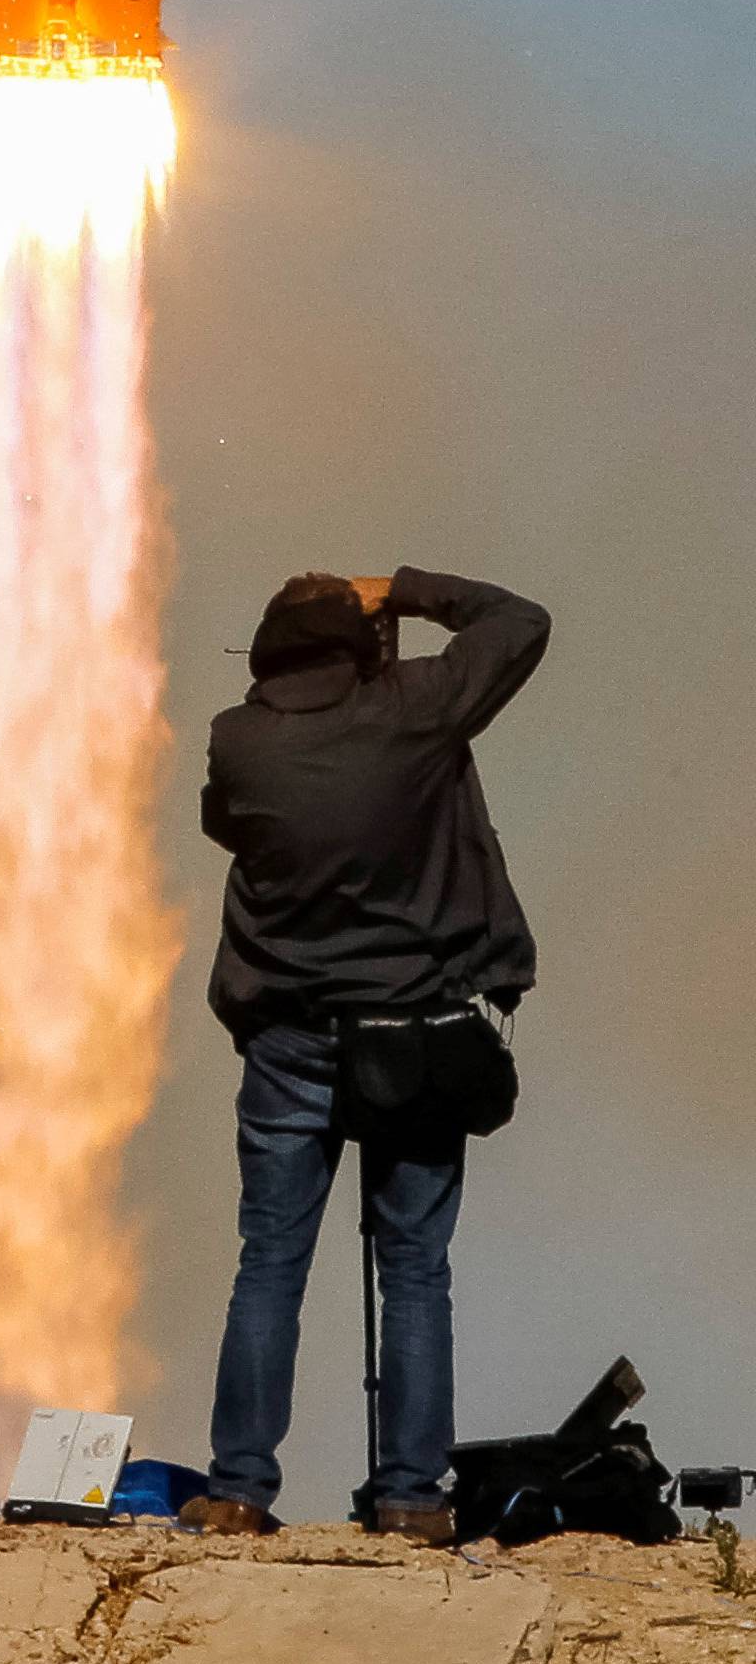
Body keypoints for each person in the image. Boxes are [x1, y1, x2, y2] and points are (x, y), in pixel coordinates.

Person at [182, 567, 550, 1545]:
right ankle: (413, 1500)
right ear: (362, 645)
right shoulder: (415, 711)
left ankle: (238, 1489)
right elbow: (521, 623)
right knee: (416, 1270)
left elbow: (226, 821)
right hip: (414, 1039)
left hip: (289, 1041)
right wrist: (408, 588)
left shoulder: (239, 738)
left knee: (270, 1266)